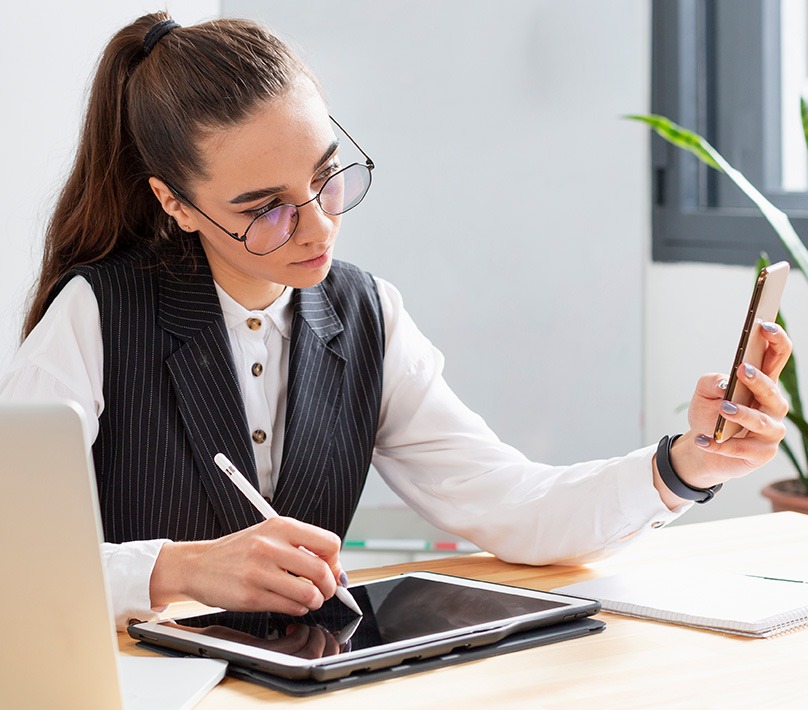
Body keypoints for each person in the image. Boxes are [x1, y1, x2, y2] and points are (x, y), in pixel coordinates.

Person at [0, 12, 792, 630]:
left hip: (304, 686)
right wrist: (173, 570)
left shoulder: (368, 315)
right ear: (174, 203)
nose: (316, 228)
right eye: (264, 210)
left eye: (326, 178)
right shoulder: (96, 315)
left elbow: (514, 506)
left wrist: (682, 466)